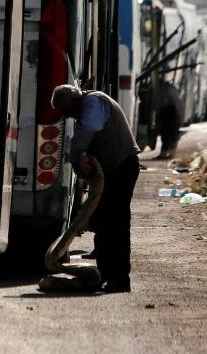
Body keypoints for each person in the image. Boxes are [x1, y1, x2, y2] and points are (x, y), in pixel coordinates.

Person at [51, 84, 141, 293]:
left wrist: (76, 155)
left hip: (121, 166)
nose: (70, 117)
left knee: (115, 224)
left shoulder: (93, 102)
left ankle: (119, 280)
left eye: (67, 112)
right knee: (102, 222)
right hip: (112, 170)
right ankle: (105, 274)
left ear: (73, 101)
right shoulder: (86, 106)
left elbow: (89, 129)